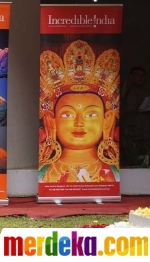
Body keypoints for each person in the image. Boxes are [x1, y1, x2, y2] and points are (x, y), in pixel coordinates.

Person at [38, 40, 120, 183]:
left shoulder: (113, 172)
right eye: (68, 114)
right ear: (52, 120)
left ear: (107, 121)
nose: (79, 122)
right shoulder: (43, 173)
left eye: (91, 114)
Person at [121, 66, 150, 166]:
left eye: (142, 75)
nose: (140, 77)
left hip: (146, 132)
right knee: (134, 159)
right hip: (132, 132)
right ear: (131, 76)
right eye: (137, 74)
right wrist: (135, 107)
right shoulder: (126, 90)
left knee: (147, 158)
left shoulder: (147, 91)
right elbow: (122, 109)